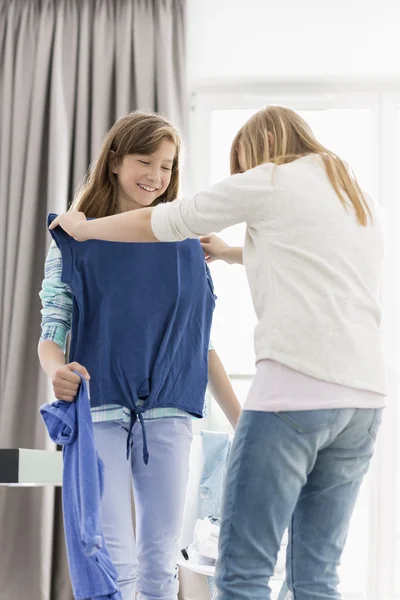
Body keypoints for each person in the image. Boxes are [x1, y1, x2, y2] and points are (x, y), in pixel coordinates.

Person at [50, 105, 387, 600]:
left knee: (241, 574)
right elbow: (312, 253)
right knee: (315, 576)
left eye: (167, 166)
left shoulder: (270, 178)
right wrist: (231, 253)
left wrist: (85, 229)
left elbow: (174, 221)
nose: (159, 176)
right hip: (363, 403)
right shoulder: (349, 192)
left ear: (258, 151)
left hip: (292, 396)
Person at [39, 110, 241, 600]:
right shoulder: (74, 237)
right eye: (144, 161)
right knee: (115, 558)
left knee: (160, 560)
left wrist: (243, 419)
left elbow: (200, 341)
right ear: (114, 161)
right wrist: (56, 370)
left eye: (167, 167)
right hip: (100, 405)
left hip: (171, 406)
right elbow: (52, 329)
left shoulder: (187, 240)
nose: (155, 176)